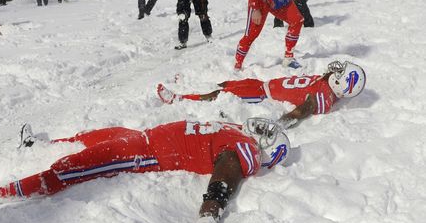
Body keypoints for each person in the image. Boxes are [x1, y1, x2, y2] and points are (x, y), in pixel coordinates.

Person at [0, 118, 291, 223]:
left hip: (146, 152)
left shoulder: (245, 151)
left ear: (266, 150)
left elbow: (226, 172)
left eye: (268, 134)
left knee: (73, 166)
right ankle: (38, 144)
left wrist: (209, 213)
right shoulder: (236, 129)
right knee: (95, 135)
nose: (263, 126)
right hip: (145, 137)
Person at [157, 60, 366, 129]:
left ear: (341, 83)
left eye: (339, 73)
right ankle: (188, 88)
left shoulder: (321, 98)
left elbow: (299, 113)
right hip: (262, 85)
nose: (335, 70)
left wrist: (276, 126)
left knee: (218, 94)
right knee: (225, 84)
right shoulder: (331, 88)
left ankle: (178, 100)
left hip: (261, 95)